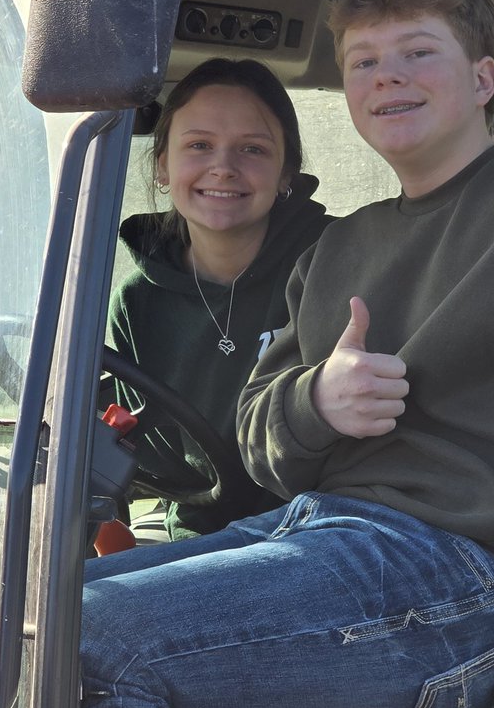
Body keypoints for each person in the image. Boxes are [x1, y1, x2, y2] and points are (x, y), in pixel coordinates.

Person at [80, 0, 494, 708]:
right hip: (322, 532)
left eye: (418, 52)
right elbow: (259, 438)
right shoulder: (339, 251)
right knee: (50, 616)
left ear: (484, 79)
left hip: (477, 576)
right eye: (365, 62)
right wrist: (316, 400)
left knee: (98, 639)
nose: (388, 76)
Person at [107, 57, 331, 539]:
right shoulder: (136, 304)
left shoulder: (334, 261)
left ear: (286, 171)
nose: (223, 168)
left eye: (252, 148)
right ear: (163, 164)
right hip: (198, 534)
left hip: (314, 529)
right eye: (199, 145)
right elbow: (145, 455)